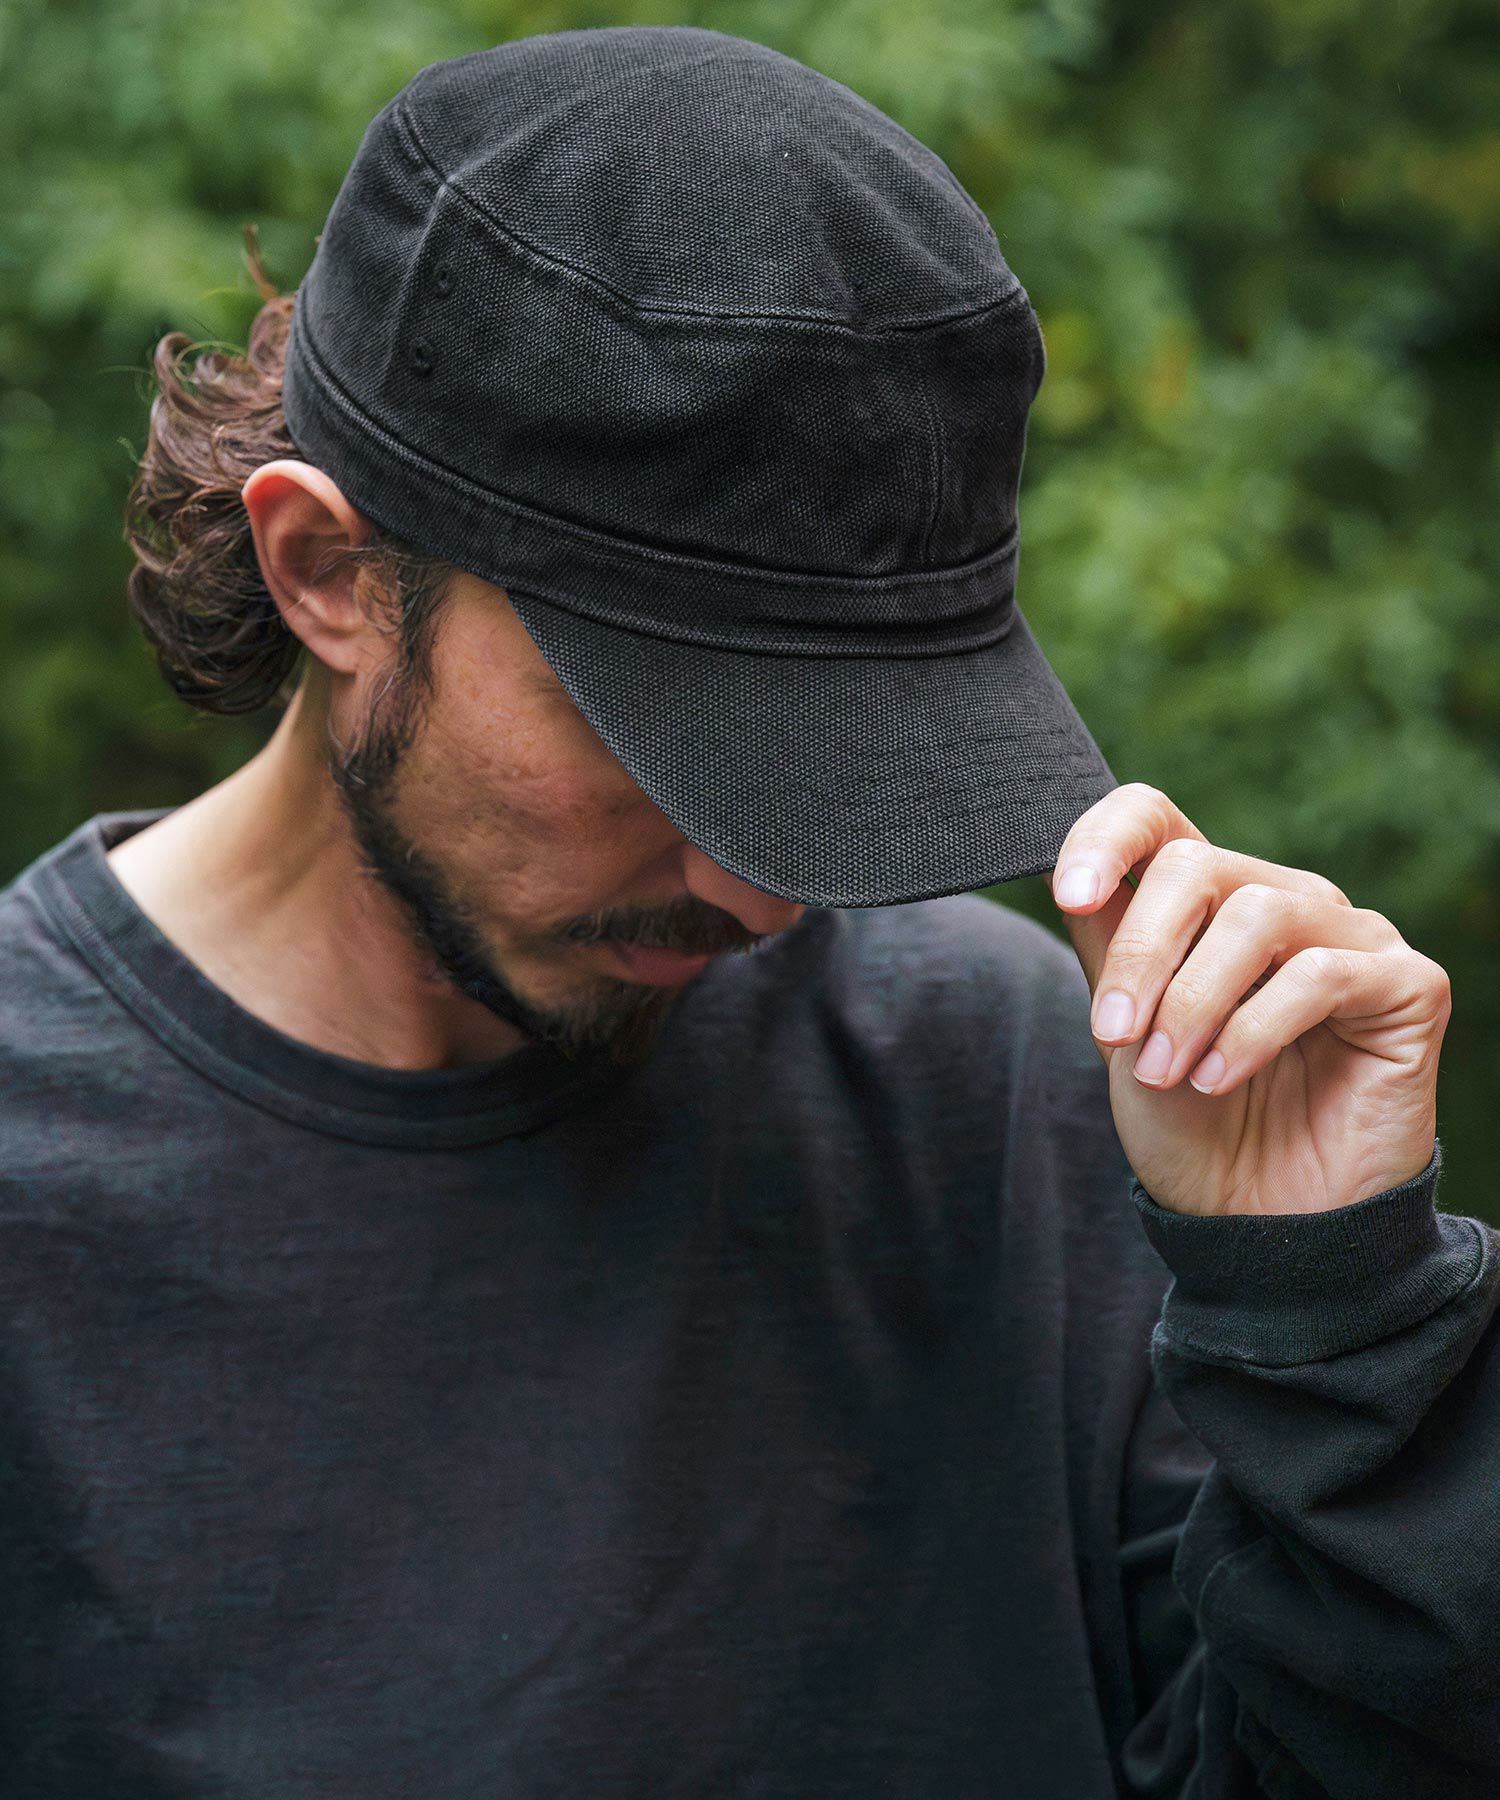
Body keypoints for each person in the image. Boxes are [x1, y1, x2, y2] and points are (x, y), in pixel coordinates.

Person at [0, 24, 1494, 1799]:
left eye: (836, 768)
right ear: (329, 570)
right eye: (661, 742)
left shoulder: (1018, 1085)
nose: (763, 899)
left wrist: (1336, 1329)